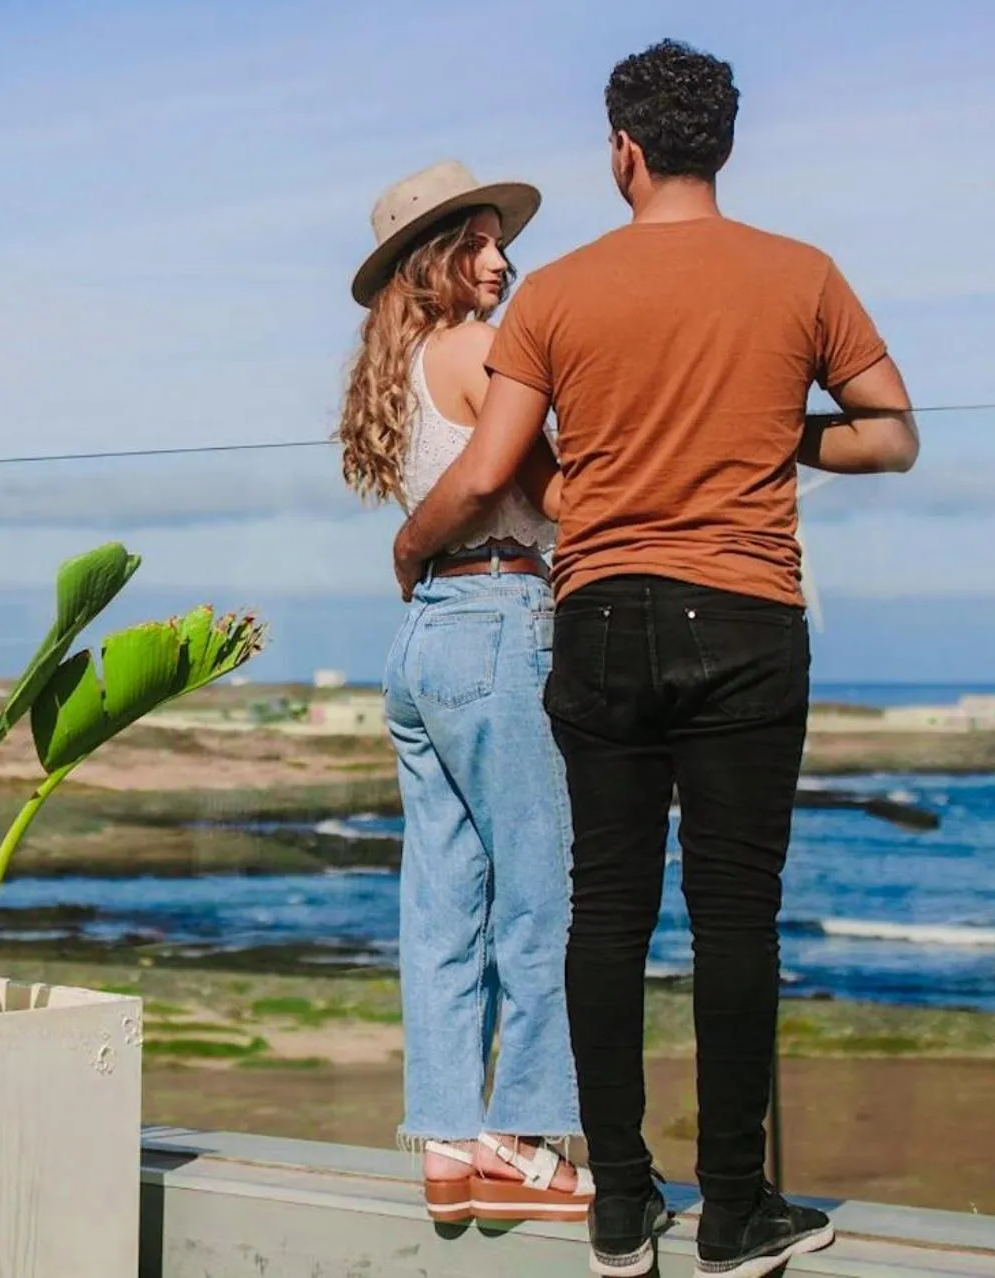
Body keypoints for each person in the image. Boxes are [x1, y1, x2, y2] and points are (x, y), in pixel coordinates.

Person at [388, 42, 919, 1278]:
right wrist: (774, 435)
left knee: (605, 914)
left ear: (620, 150)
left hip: (601, 619)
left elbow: (487, 470)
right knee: (738, 920)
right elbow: (892, 437)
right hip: (743, 616)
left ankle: (621, 1206)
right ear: (719, 144)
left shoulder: (558, 294)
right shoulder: (804, 275)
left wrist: (413, 548)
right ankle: (735, 1211)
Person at [336, 159, 591, 1225]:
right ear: (431, 261)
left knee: (443, 901)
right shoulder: (485, 351)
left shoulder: (387, 376)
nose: (502, 259)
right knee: (543, 894)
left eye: (500, 241)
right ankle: (523, 1138)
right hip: (497, 623)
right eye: (479, 242)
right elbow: (540, 492)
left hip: (424, 640)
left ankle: (445, 1143)